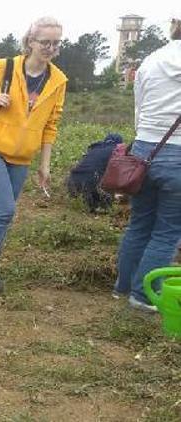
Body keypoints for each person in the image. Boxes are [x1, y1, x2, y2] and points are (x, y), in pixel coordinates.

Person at [0, 17, 67, 294]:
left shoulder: (58, 80)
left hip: (22, 157)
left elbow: (50, 125)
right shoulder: (6, 67)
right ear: (30, 41)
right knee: (6, 209)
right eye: (44, 42)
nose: (50, 48)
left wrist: (44, 165)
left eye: (56, 43)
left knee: (4, 215)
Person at [113, 18, 181, 312]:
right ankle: (142, 296)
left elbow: (139, 108)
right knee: (167, 232)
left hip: (143, 151)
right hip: (177, 153)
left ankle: (123, 287)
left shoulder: (152, 59)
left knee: (139, 223)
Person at [66, 133, 123, 212]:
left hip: (72, 183)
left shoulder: (94, 149)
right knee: (106, 206)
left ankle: (85, 202)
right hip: (92, 184)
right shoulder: (117, 151)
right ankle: (99, 206)